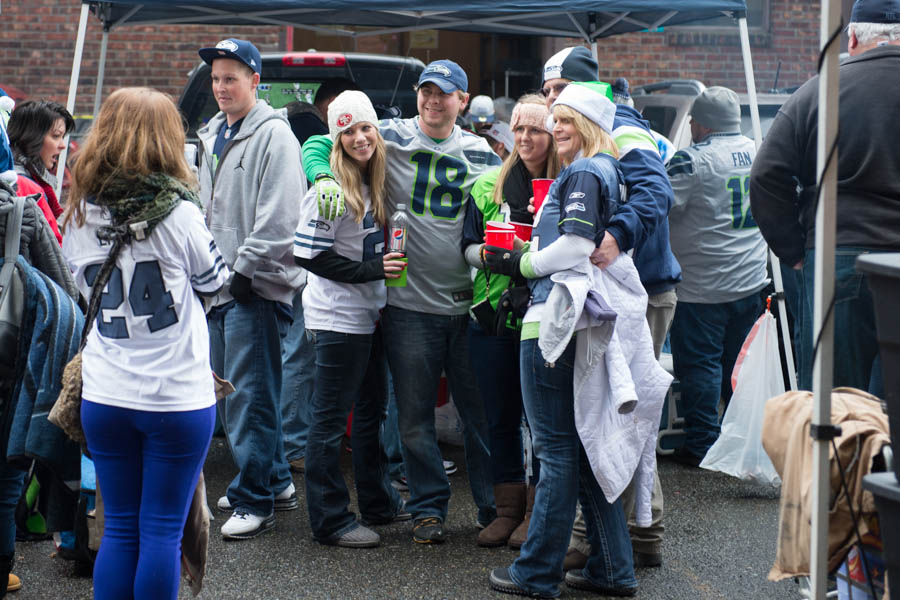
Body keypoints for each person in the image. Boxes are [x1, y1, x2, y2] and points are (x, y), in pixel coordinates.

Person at [303, 59, 501, 544]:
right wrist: (323, 177)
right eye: (426, 91)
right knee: (412, 419)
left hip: (467, 302)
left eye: (445, 93)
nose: (434, 101)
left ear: (463, 98)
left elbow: (511, 192)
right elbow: (320, 139)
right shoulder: (387, 133)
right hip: (408, 304)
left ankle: (494, 508)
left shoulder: (483, 152)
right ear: (417, 95)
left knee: (480, 418)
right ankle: (428, 508)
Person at [61, 86, 229, 600]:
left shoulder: (79, 213)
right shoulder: (179, 215)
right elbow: (216, 283)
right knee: (161, 531)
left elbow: (79, 285)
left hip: (107, 394)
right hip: (175, 397)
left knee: (120, 529)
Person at [483, 82, 637, 598]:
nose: (557, 127)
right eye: (557, 118)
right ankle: (613, 569)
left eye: (567, 119)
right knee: (579, 448)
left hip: (550, 320)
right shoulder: (604, 170)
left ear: (589, 125)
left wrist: (521, 261)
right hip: (571, 320)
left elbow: (574, 243)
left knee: (555, 450)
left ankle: (536, 572)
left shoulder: (585, 170)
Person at [542, 46, 680, 570]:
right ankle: (640, 535)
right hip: (629, 290)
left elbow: (655, 190)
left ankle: (594, 538)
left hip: (635, 291)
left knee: (610, 412)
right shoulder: (609, 122)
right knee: (627, 412)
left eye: (558, 92)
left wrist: (617, 236)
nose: (554, 105)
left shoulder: (618, 125)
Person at [750, 0, 900, 397]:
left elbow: (766, 175)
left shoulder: (817, 90)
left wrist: (794, 250)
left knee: (833, 404)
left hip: (836, 256)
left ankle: (841, 462)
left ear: (851, 37)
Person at [196, 38, 305, 539]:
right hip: (219, 285)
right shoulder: (212, 133)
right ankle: (275, 478)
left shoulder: (274, 136)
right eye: (216, 78)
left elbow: (282, 215)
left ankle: (253, 497)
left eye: (231, 78)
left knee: (248, 396)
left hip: (253, 287)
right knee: (243, 390)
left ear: (255, 81)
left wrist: (245, 268)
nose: (221, 87)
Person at [292, 90, 409, 548]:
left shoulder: (371, 179)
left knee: (371, 413)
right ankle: (329, 519)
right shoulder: (330, 188)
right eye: (348, 131)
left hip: (370, 315)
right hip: (337, 320)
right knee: (329, 421)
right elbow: (307, 254)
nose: (359, 138)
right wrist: (371, 271)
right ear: (336, 139)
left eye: (365, 128)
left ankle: (378, 501)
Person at [461, 95, 560, 548]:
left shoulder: (566, 182)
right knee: (499, 419)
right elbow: (464, 244)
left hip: (545, 319)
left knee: (542, 424)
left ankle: (538, 514)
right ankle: (507, 510)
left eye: (535, 130)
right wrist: (487, 256)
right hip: (492, 321)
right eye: (518, 129)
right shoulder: (488, 186)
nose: (524, 139)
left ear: (552, 134)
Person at [667, 86, 768, 466]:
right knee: (736, 365)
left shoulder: (691, 161)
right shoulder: (759, 150)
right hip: (750, 279)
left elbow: (659, 206)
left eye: (693, 119)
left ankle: (703, 444)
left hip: (702, 285)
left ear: (703, 124)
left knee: (699, 366)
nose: (690, 124)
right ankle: (738, 438)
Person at [7, 100, 76, 243]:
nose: (63, 145)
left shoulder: (22, 178)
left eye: (62, 137)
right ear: (32, 136)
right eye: (56, 136)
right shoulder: (22, 185)